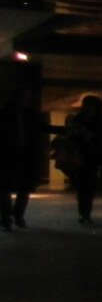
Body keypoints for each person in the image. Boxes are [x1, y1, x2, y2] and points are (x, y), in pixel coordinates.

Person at [62, 94, 102, 224]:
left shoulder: (100, 122)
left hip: (94, 156)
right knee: (84, 186)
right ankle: (84, 212)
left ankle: (85, 212)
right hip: (83, 156)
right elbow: (72, 137)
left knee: (88, 186)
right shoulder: (80, 120)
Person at [0, 67, 44, 231]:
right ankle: (7, 217)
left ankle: (15, 215)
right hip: (8, 155)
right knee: (5, 188)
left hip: (24, 155)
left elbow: (42, 128)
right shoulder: (6, 114)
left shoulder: (29, 114)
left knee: (22, 188)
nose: (27, 100)